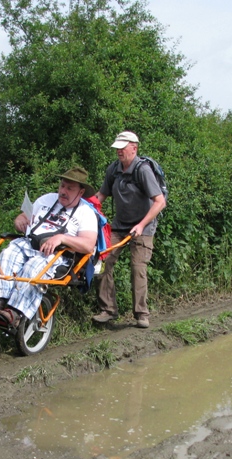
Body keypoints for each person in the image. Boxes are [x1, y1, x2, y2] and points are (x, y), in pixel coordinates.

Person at [0, 167, 98, 328]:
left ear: (80, 192)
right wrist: (20, 220)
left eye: (70, 188)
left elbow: (88, 245)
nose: (63, 191)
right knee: (8, 254)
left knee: (34, 266)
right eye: (62, 186)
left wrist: (61, 238)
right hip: (30, 243)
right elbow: (25, 216)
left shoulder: (85, 213)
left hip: (58, 254)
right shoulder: (46, 200)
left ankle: (15, 312)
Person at [92, 131, 166, 328]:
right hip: (119, 226)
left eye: (123, 147)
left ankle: (141, 314)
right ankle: (108, 310)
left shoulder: (143, 170)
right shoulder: (114, 170)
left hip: (144, 226)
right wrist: (83, 208)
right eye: (117, 147)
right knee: (102, 262)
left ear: (134, 148)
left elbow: (160, 202)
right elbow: (101, 195)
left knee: (137, 268)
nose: (119, 151)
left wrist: (141, 225)